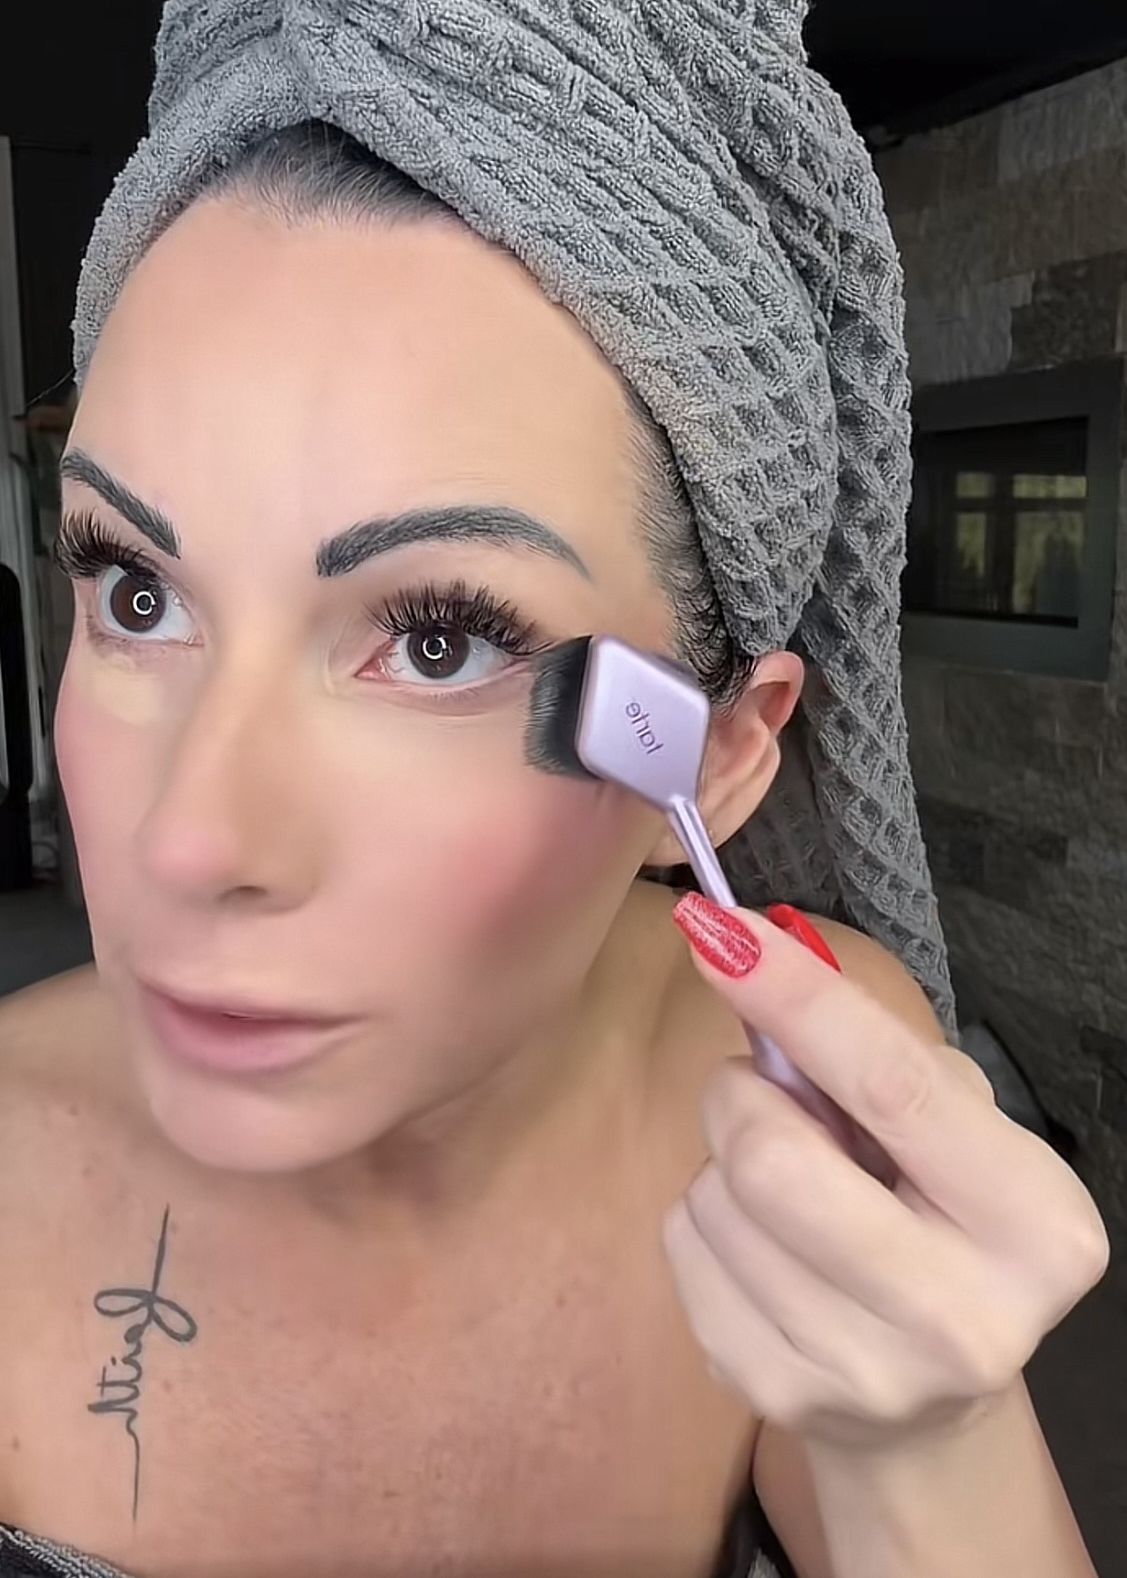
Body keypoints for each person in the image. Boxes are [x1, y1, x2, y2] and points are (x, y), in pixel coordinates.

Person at [0, 4, 1108, 1576]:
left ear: (717, 752)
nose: (188, 839)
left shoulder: (785, 1092)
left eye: (436, 637)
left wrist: (928, 1444)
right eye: (136, 592)